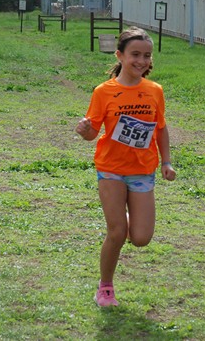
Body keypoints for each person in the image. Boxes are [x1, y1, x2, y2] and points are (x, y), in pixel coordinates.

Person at [75, 27, 176, 307]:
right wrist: (83, 130)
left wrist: (166, 161)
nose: (141, 61)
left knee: (141, 238)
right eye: (135, 55)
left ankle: (125, 217)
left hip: (143, 170)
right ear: (120, 55)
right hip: (111, 169)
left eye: (146, 56)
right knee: (117, 232)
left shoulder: (154, 91)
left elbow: (161, 129)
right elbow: (92, 131)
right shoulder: (104, 92)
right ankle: (105, 287)